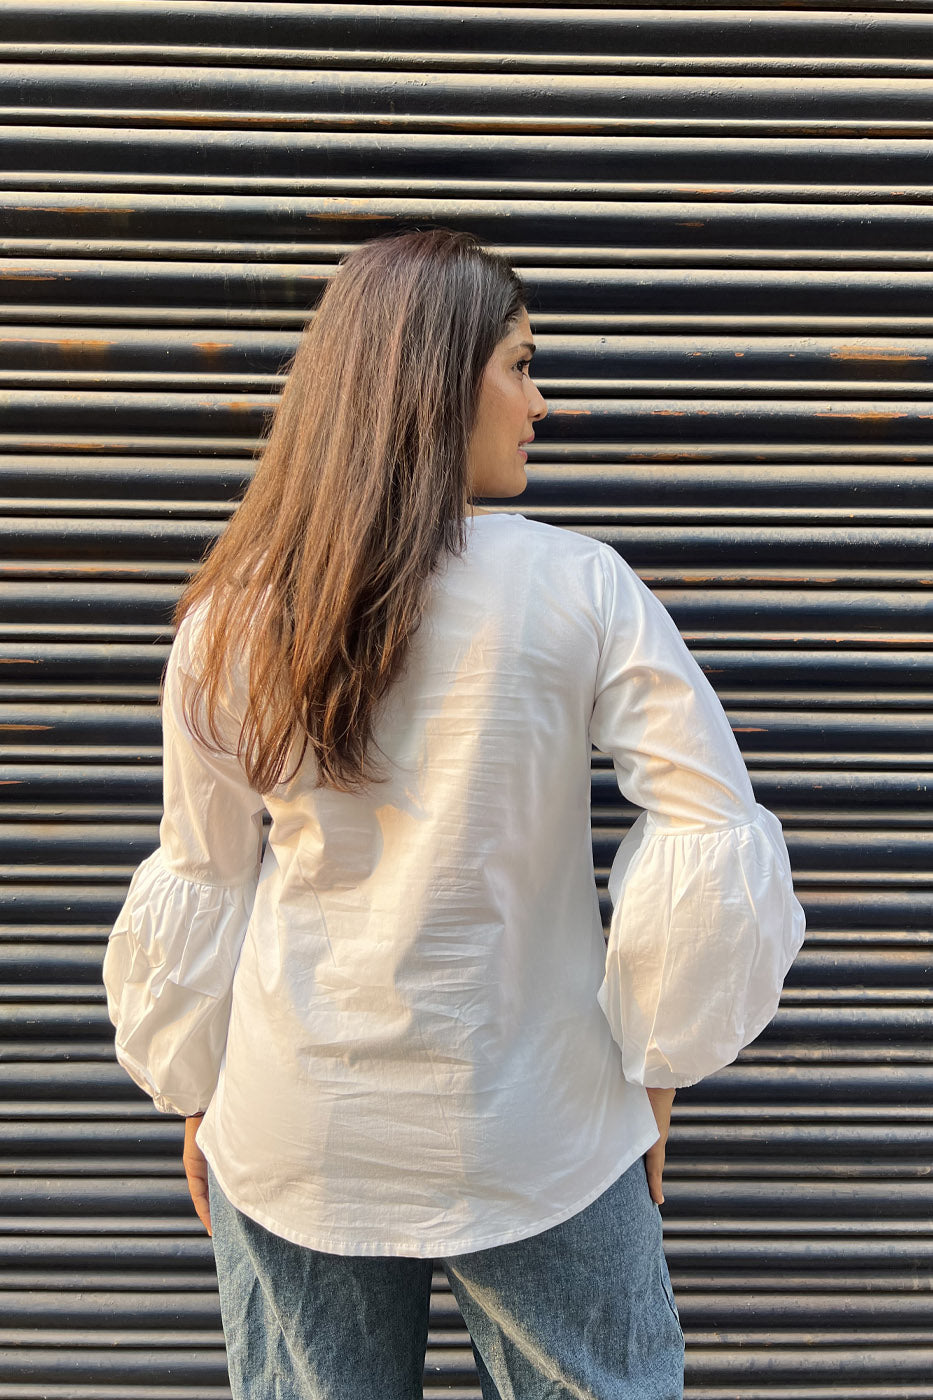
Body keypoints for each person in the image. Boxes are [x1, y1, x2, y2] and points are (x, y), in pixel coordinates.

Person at [103, 228, 805, 1400]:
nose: (542, 402)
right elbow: (706, 827)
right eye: (521, 364)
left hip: (292, 1128)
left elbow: (206, 872)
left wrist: (197, 1089)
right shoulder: (580, 584)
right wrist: (657, 1067)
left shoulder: (230, 615)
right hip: (538, 1128)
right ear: (435, 378)